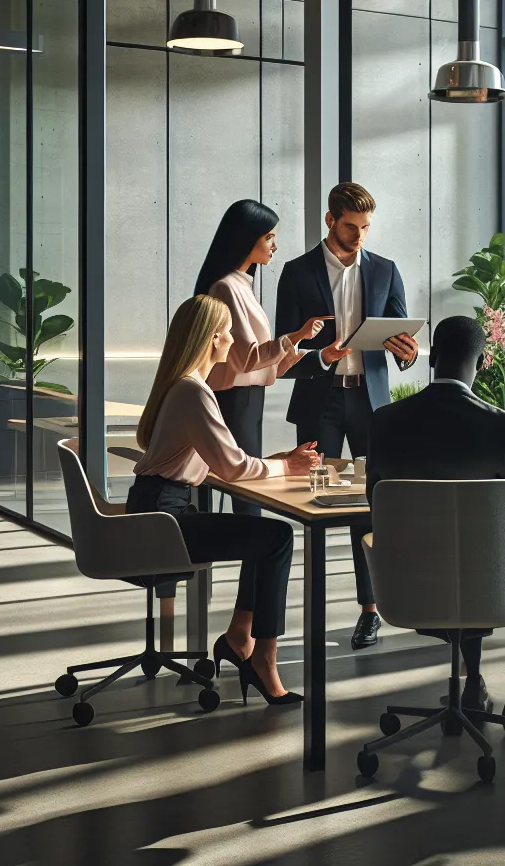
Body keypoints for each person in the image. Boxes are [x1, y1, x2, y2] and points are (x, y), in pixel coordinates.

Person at [366, 316, 505, 729]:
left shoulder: (385, 421)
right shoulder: (500, 426)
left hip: (411, 583)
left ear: (433, 360)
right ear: (480, 363)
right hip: (489, 585)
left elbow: (375, 504)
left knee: (461, 547)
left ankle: (474, 681)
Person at [129, 294, 323, 705]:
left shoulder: (185, 388)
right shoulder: (193, 393)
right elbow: (233, 468)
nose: (233, 339)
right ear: (213, 338)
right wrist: (287, 469)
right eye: (229, 332)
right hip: (165, 518)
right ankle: (262, 659)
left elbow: (223, 462)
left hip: (157, 508)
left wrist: (276, 461)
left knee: (265, 536)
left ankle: (240, 638)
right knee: (276, 538)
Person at [274, 181, 420, 650]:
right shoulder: (297, 274)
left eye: (365, 228)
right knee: (310, 498)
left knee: (369, 504)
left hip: (369, 402)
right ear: (330, 221)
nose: (359, 236)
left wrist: (409, 353)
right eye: (351, 227)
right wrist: (323, 356)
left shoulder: (385, 271)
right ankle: (310, 606)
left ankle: (369, 610)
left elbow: (400, 336)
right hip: (321, 400)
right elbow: (284, 354)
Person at [195, 199, 331, 517]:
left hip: (247, 398)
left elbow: (263, 365)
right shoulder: (227, 288)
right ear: (247, 238)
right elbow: (247, 360)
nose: (275, 245)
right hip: (235, 400)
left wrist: (313, 351)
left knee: (249, 489)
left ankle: (254, 561)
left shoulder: (241, 285)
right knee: (248, 491)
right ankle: (257, 555)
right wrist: (297, 335)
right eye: (269, 237)